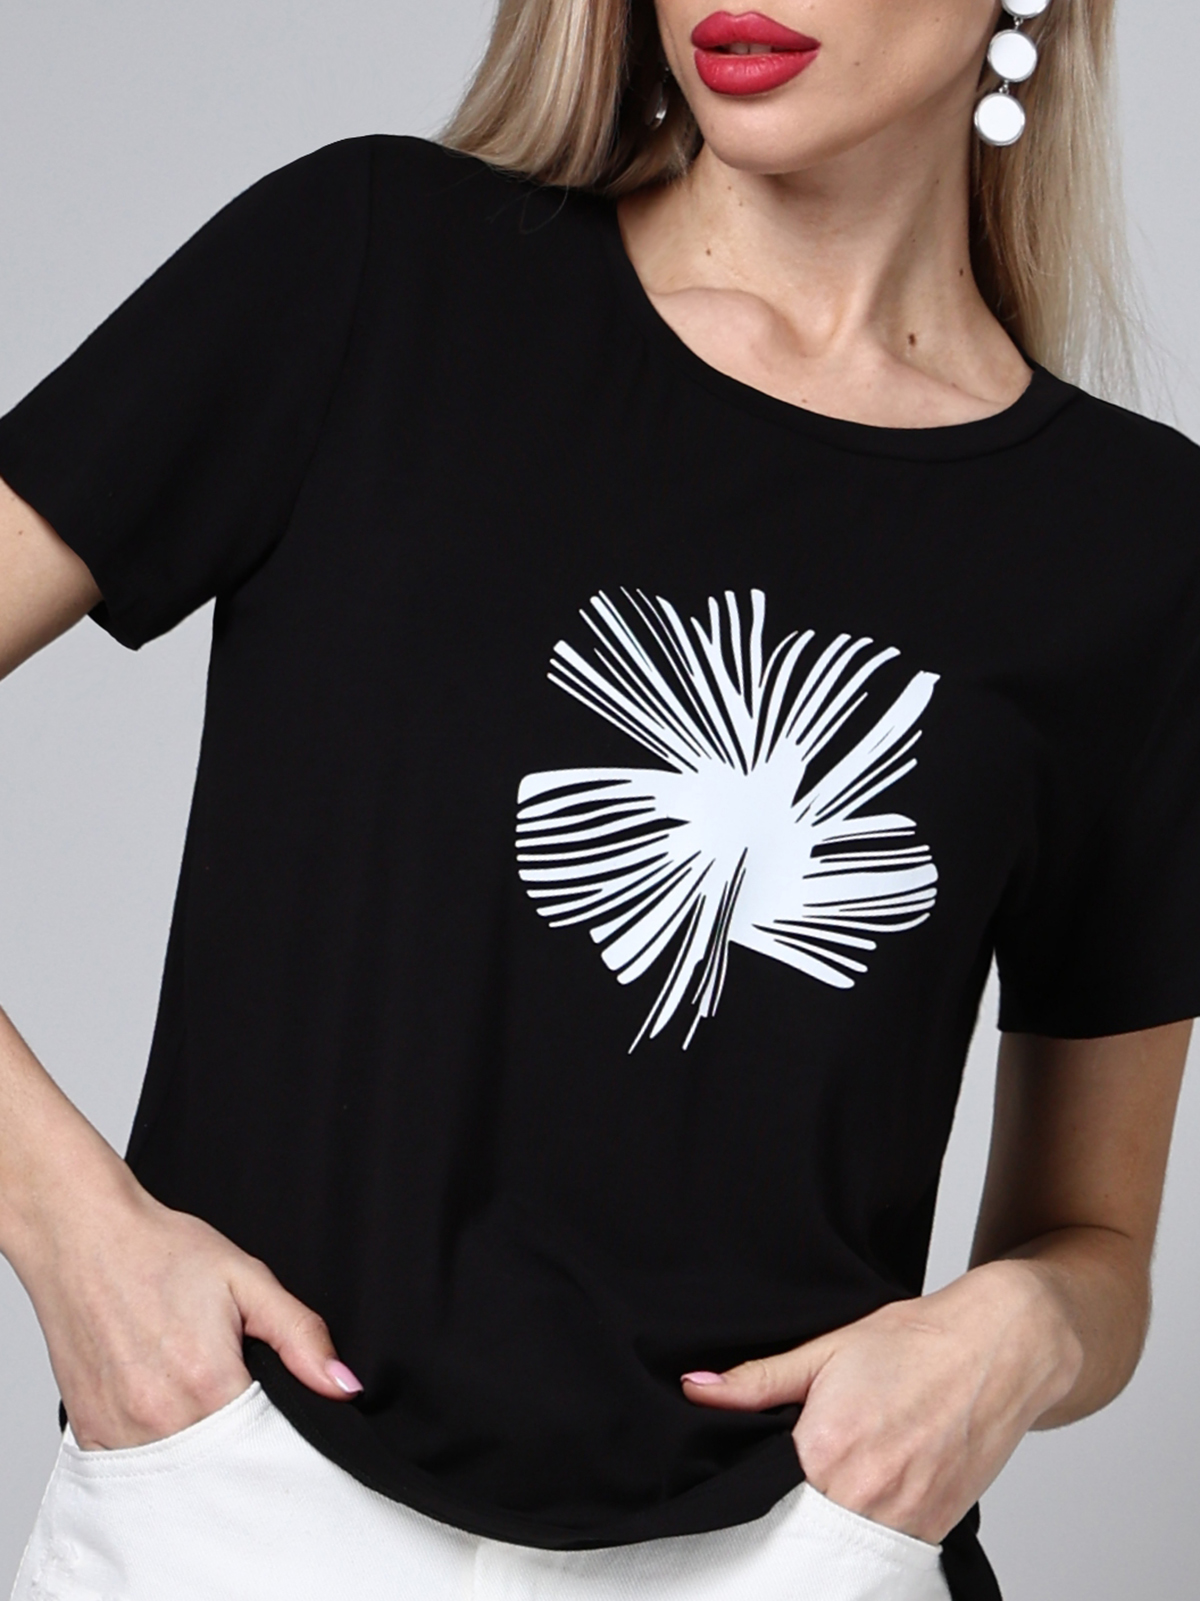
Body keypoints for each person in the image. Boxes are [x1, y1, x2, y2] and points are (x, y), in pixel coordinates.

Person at [1, 1, 1196, 1598]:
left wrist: (1021, 1331)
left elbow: (1094, 1242)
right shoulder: (374, 268)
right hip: (240, 1507)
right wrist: (67, 1225)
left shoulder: (1134, 543)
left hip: (791, 1546)